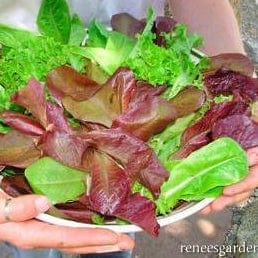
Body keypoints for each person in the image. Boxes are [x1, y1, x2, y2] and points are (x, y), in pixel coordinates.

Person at [0, 0, 257, 257]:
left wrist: (232, 85)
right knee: (36, 234)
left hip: (126, 44)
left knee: (114, 232)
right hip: (18, 41)